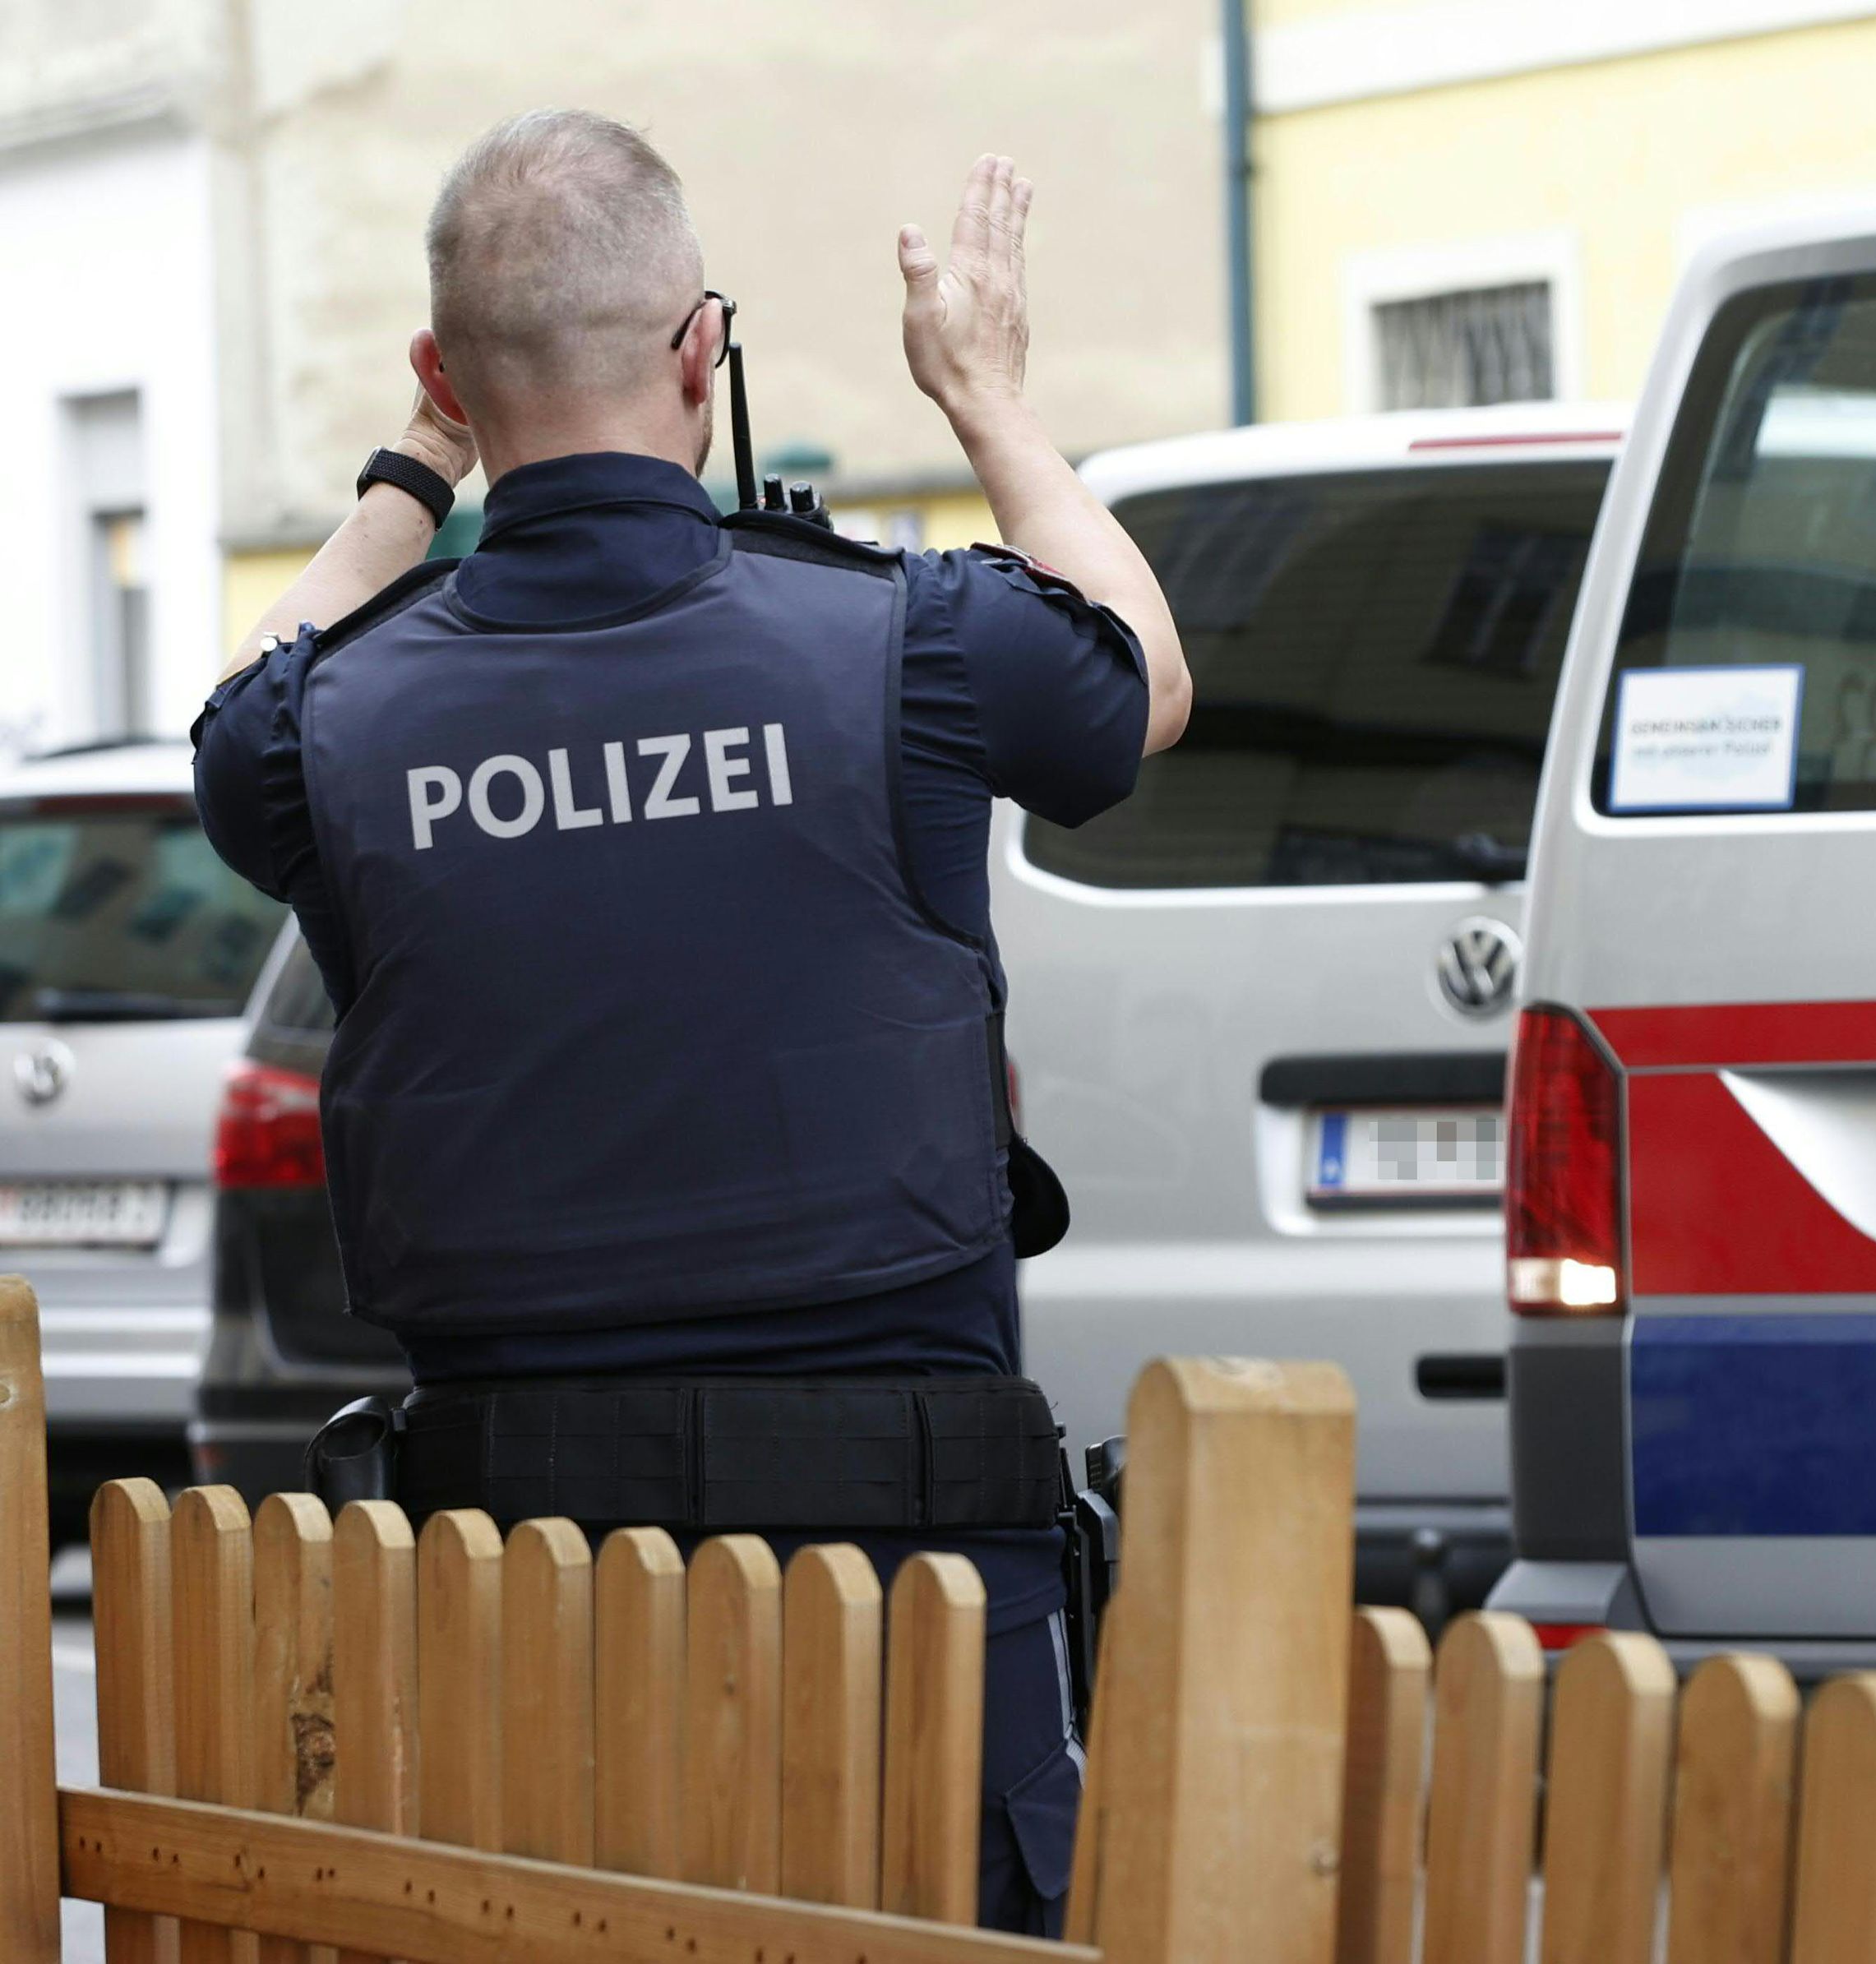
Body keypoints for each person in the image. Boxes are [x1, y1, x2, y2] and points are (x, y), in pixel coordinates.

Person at [192, 111, 1186, 1933]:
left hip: (517, 1609)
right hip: (916, 1608)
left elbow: (243, 701)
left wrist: (412, 469)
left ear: (445, 372)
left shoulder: (328, 729)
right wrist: (985, 398)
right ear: (699, 355)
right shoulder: (912, 642)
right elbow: (1147, 676)